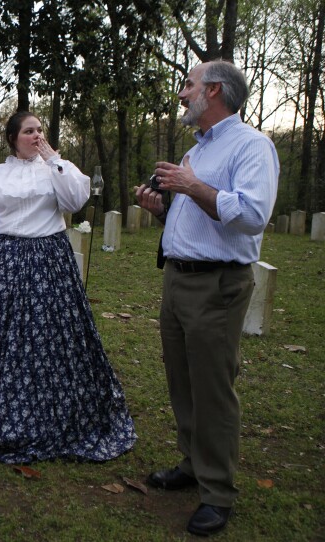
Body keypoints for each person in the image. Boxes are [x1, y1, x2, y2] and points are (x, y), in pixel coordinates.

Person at [0, 112, 136, 464]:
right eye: (29, 132)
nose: (36, 136)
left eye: (40, 130)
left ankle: (56, 416)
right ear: (13, 138)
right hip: (5, 260)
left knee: (51, 336)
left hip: (49, 260)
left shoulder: (57, 169)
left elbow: (75, 201)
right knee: (0, 339)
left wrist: (54, 158)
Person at [136, 60, 278, 537]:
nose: (181, 93)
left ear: (213, 91)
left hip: (217, 285)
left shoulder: (252, 146)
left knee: (213, 389)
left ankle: (217, 493)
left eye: (187, 84)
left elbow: (252, 215)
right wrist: (162, 209)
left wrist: (191, 185)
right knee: (182, 381)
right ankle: (192, 465)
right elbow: (195, 218)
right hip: (178, 279)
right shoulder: (195, 150)